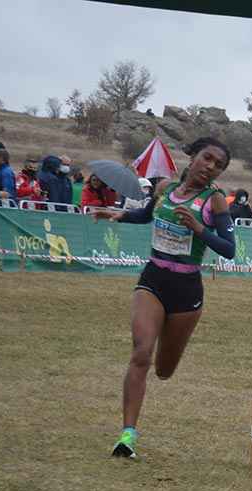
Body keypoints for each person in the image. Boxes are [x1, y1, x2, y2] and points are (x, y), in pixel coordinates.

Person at [91, 137, 236, 459]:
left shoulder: (215, 202)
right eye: (206, 158)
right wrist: (119, 215)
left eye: (218, 164)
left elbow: (229, 250)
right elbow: (146, 215)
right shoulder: (165, 190)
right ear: (193, 157)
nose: (210, 166)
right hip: (153, 279)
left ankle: (162, 370)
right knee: (141, 353)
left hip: (186, 291)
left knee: (164, 370)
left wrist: (199, 229)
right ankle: (127, 436)